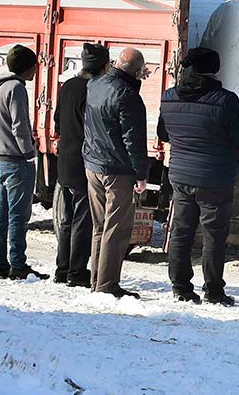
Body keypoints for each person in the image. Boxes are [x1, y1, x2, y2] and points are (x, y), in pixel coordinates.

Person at [158, 47, 239, 306]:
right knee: (214, 235)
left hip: (180, 175)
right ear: (215, 69)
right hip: (215, 179)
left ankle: (180, 287)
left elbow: (163, 133)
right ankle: (213, 291)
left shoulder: (169, 97)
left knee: (181, 232)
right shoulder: (225, 100)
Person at [83, 47, 149, 299]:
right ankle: (107, 284)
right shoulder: (127, 95)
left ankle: (96, 281)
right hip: (117, 169)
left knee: (100, 227)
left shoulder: (96, 84)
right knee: (117, 229)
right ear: (137, 71)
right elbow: (134, 140)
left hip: (93, 164)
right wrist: (141, 174)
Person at [0, 45, 48, 280]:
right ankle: (18, 265)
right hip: (16, 159)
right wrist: (29, 152)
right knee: (18, 216)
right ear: (26, 67)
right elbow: (20, 125)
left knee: (1, 214)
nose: (35, 70)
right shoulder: (16, 89)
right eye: (34, 66)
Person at [53, 43, 110, 287]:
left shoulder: (68, 86)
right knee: (82, 219)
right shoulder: (94, 90)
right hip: (84, 161)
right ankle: (76, 272)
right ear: (104, 66)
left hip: (65, 160)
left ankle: (62, 268)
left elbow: (57, 121)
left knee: (67, 219)